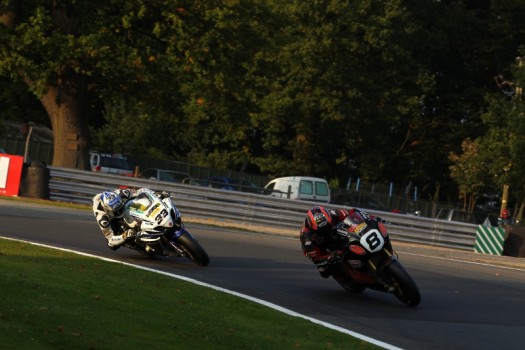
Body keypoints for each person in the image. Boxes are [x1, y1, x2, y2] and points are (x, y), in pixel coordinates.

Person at [299, 205, 383, 278]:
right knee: (325, 271)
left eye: (328, 225)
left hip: (338, 234)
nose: (327, 230)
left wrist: (371, 218)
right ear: (313, 229)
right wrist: (329, 257)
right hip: (323, 247)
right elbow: (316, 258)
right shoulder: (307, 239)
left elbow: (352, 213)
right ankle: (349, 276)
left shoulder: (333, 213)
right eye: (323, 230)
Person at [92, 187, 169, 250]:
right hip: (110, 218)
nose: (120, 211)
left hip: (114, 200)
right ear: (107, 210)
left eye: (120, 208)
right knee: (113, 246)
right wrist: (124, 236)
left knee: (134, 201)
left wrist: (156, 193)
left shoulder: (123, 193)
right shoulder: (102, 218)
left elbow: (141, 191)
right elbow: (111, 240)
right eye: (117, 211)